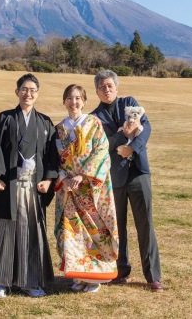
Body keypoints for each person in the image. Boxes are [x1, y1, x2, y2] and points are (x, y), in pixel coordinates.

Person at [0, 73, 58, 298]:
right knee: (5, 230)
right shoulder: (5, 118)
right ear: (16, 92)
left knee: (32, 232)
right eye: (24, 89)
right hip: (8, 186)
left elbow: (51, 155)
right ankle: (1, 281)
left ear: (38, 93)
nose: (28, 94)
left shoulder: (45, 122)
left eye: (33, 90)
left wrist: (48, 179)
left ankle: (30, 281)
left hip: (33, 187)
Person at [91, 69, 164, 292]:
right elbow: (103, 144)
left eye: (110, 85)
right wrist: (123, 137)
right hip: (115, 177)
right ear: (97, 91)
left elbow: (146, 127)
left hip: (139, 172)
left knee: (145, 223)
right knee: (116, 225)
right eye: (102, 87)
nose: (106, 90)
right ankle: (121, 270)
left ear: (117, 87)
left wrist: (132, 147)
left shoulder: (130, 103)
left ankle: (153, 275)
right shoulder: (95, 118)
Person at [54, 84, 119, 293]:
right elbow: (53, 159)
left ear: (84, 101)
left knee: (94, 232)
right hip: (68, 191)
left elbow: (101, 152)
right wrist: (64, 178)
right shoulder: (59, 129)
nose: (74, 103)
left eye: (78, 98)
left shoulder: (93, 123)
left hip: (89, 190)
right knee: (71, 233)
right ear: (64, 101)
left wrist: (82, 176)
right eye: (70, 98)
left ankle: (94, 277)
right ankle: (79, 275)